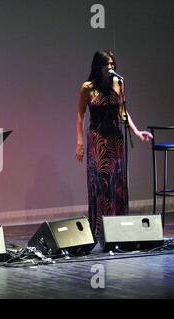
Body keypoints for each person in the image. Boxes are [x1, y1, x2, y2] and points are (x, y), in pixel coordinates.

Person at [76, 50, 153, 241]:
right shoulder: (87, 88)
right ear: (98, 66)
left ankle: (119, 229)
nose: (110, 68)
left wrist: (135, 131)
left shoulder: (119, 83)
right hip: (97, 140)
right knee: (101, 183)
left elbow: (122, 111)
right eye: (106, 64)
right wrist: (79, 142)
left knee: (117, 183)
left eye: (112, 64)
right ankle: (101, 229)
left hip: (116, 139)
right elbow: (80, 116)